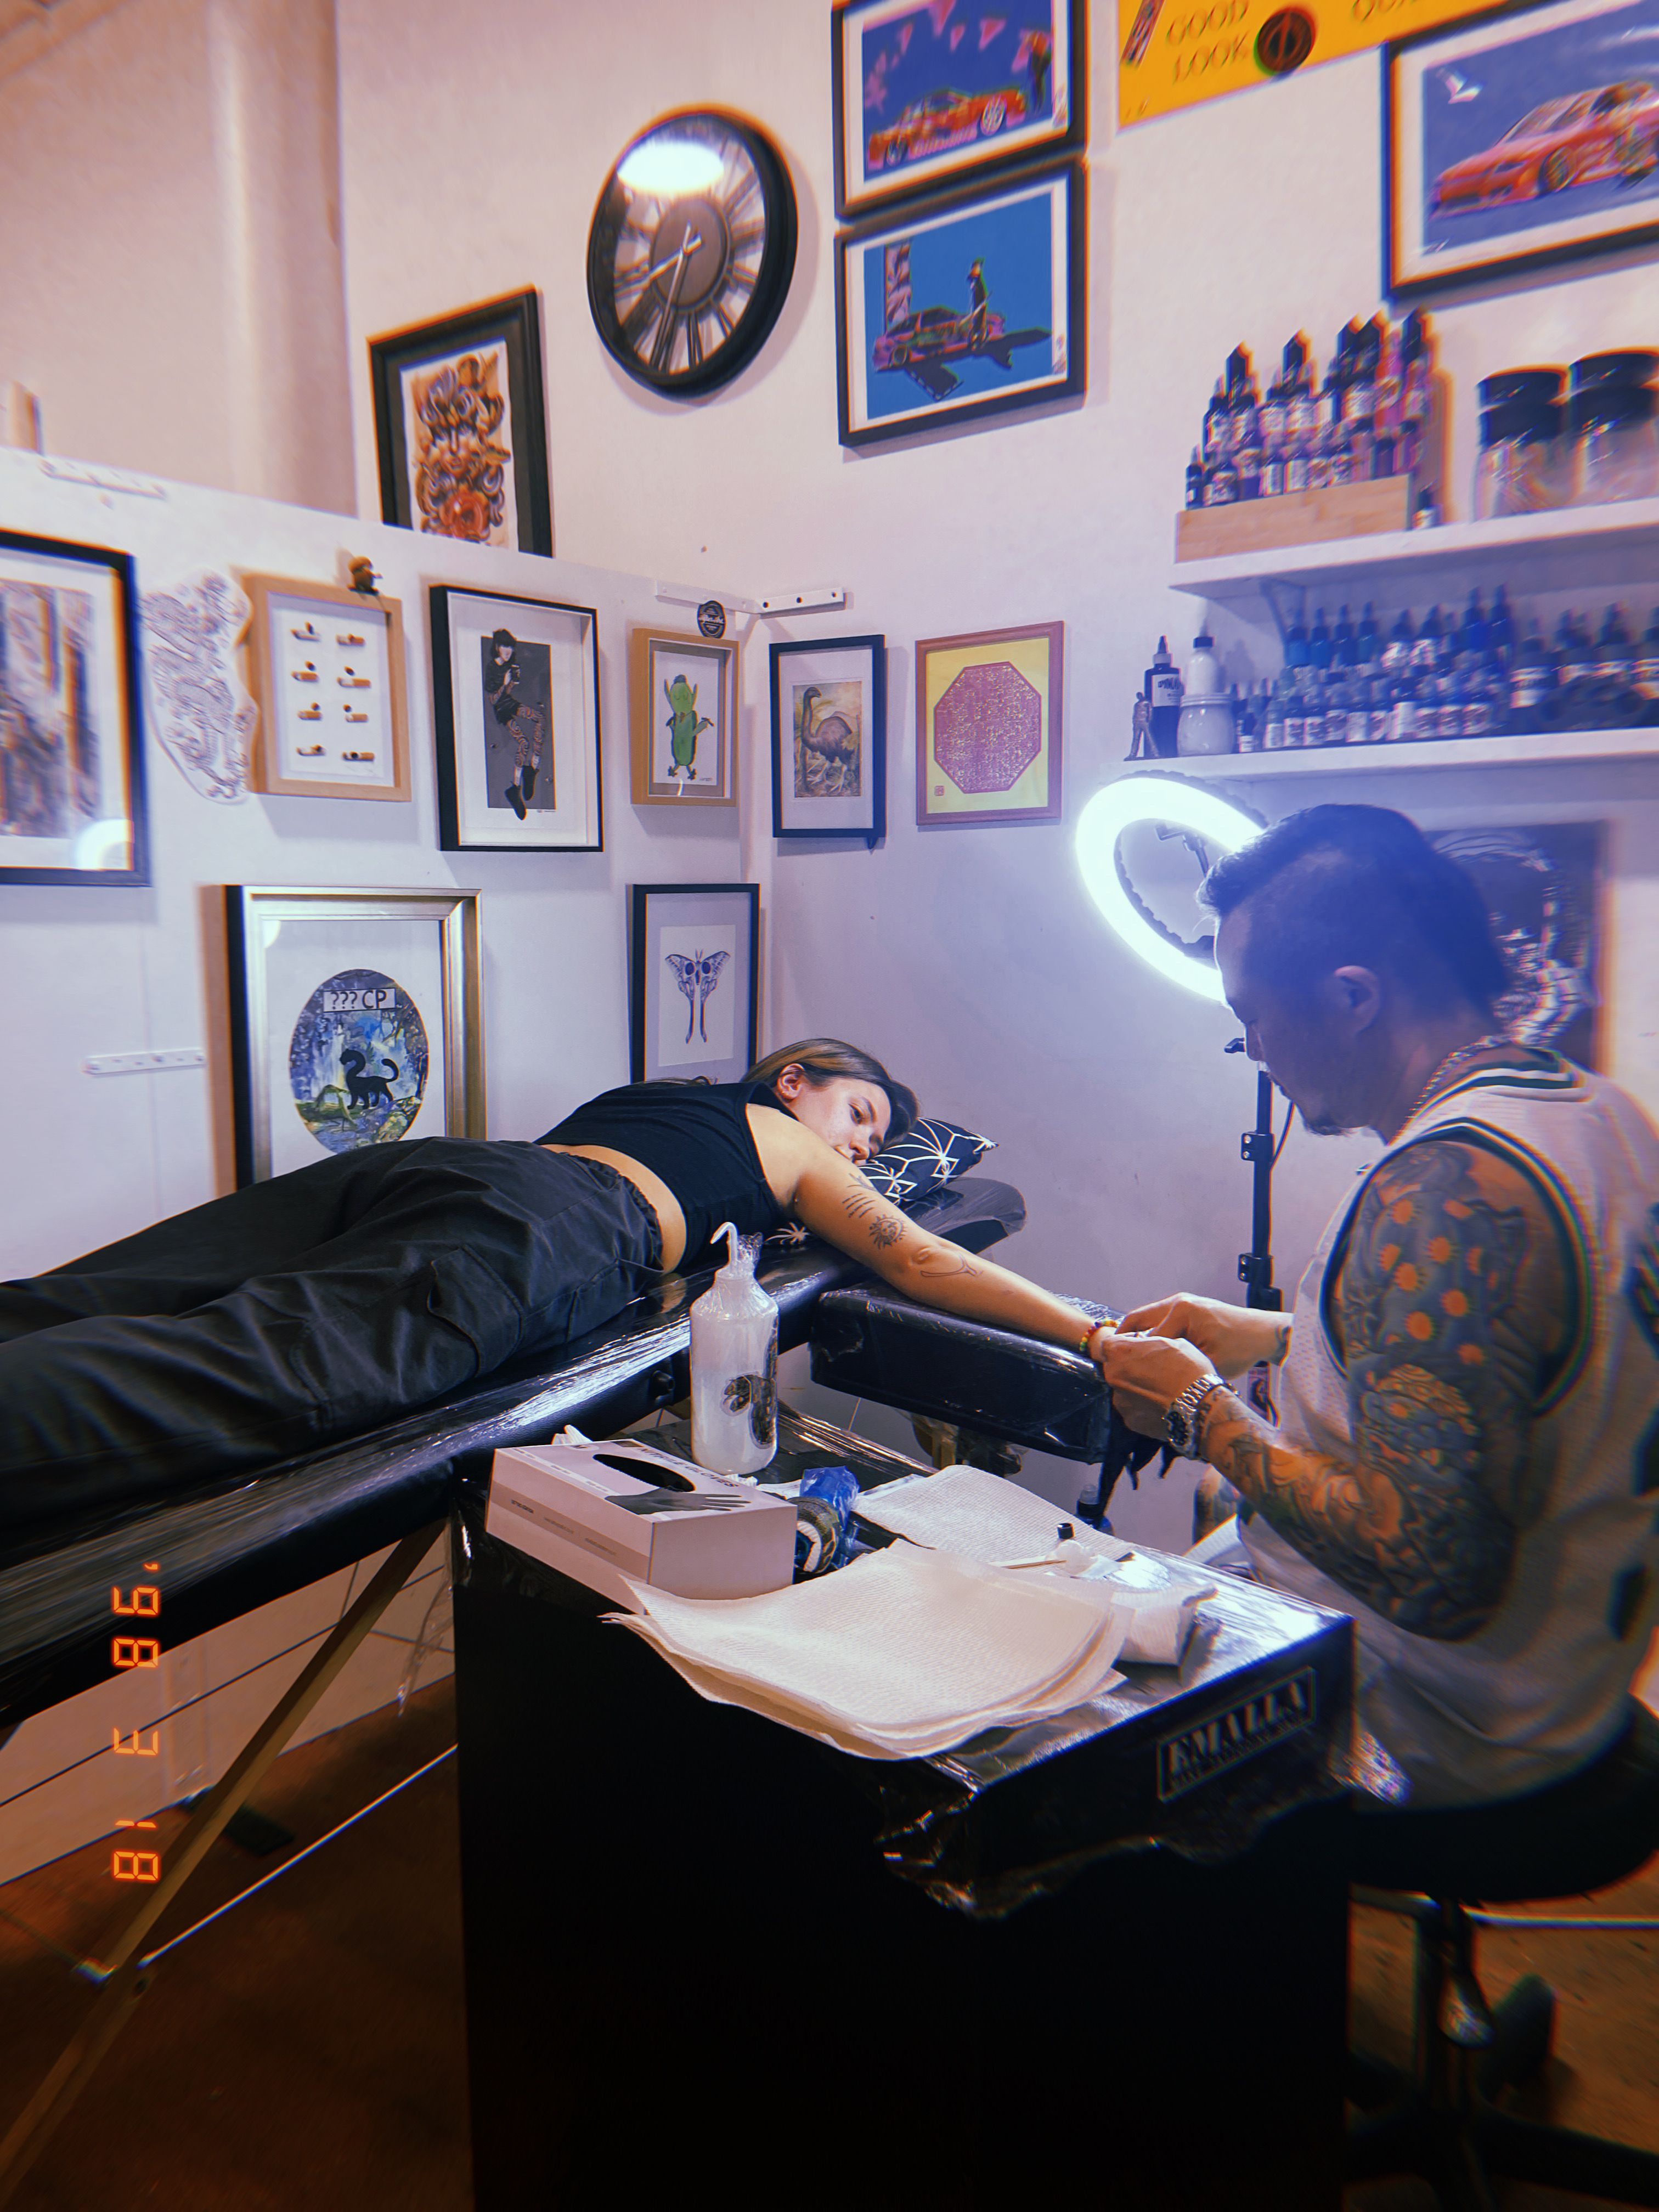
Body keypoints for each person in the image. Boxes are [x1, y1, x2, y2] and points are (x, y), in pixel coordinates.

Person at [1097, 805, 1659, 1846]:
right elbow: (1499, 1372)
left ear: (1353, 997)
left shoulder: (1446, 1189)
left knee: (1065, 1711)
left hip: (1442, 1731)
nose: (1253, 1049)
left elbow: (1431, 1572)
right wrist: (1270, 1335)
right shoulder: (1597, 1114)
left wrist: (1201, 1412)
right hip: (1575, 1686)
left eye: (1255, 1016)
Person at [1, 1039, 1111, 1532]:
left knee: (124, 1289)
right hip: (557, 1226)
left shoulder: (655, 1095)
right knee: (250, 1369)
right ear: (794, 1081)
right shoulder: (785, 1139)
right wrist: (1094, 1334)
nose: (861, 1151)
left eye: (873, 1146)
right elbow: (917, 1255)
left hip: (443, 1168)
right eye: (860, 1115)